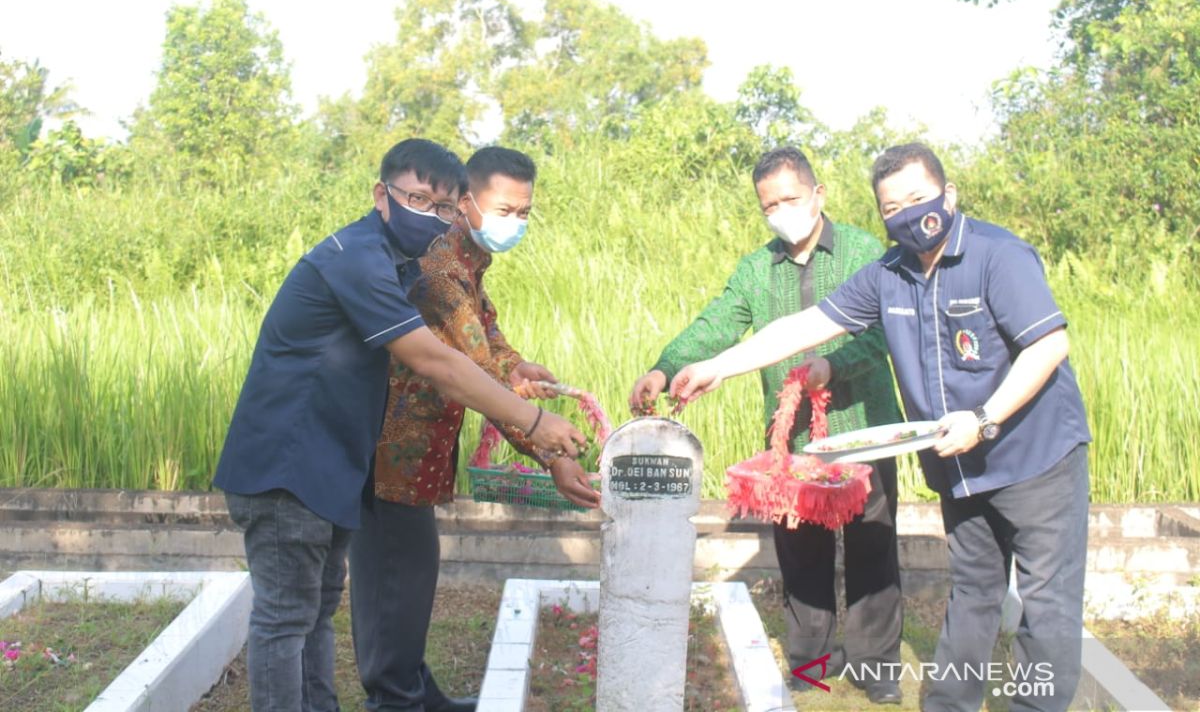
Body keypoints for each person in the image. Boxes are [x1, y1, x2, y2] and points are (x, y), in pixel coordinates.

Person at [671, 143, 1091, 712]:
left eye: (919, 199)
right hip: (958, 463)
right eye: (893, 207)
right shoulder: (887, 274)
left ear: (949, 195)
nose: (909, 215)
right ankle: (949, 704)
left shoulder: (998, 255)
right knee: (973, 591)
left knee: (1045, 603)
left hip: (1035, 459)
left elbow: (1048, 344)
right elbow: (803, 327)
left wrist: (986, 418)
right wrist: (715, 367)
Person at [213, 138, 586, 712]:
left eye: (439, 208)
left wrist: (520, 382)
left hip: (331, 460)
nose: (430, 218)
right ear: (381, 194)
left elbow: (482, 343)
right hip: (289, 460)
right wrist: (536, 424)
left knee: (314, 610)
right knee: (287, 617)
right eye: (416, 199)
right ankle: (396, 696)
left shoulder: (399, 261)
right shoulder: (360, 260)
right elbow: (441, 362)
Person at [629, 146, 905, 705]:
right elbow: (716, 324)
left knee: (872, 548)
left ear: (818, 195)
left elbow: (885, 333)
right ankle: (811, 666)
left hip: (863, 431)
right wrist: (665, 366)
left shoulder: (864, 253)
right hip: (792, 443)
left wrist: (834, 365)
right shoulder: (756, 269)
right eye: (769, 205)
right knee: (801, 555)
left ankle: (876, 669)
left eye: (791, 199)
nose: (782, 211)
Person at [350, 146, 600, 712]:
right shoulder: (439, 270)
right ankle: (395, 699)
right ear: (466, 203)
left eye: (525, 212)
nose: (516, 222)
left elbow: (488, 339)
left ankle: (413, 689)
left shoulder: (465, 261)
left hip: (416, 455)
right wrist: (550, 453)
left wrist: (518, 368)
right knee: (396, 577)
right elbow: (474, 370)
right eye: (505, 208)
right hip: (392, 454)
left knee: (407, 577)